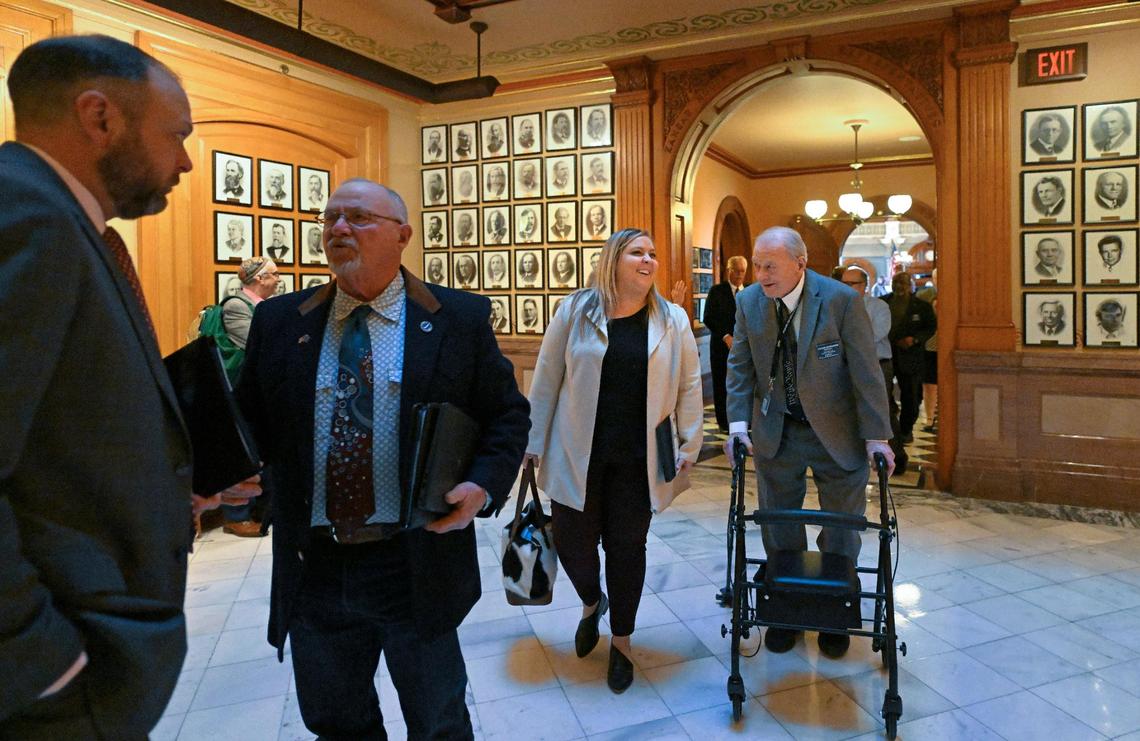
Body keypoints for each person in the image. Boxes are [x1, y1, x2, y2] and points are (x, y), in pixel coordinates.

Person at [0, 34, 257, 738]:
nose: (184, 159)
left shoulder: (65, 225)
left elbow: (53, 438)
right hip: (53, 687)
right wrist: (40, 659)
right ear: (100, 117)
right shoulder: (26, 217)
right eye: (176, 134)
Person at [236, 178, 529, 739]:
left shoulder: (456, 319)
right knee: (337, 721)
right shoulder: (280, 323)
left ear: (402, 236)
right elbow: (248, 419)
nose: (340, 229)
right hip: (314, 564)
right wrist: (235, 468)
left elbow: (506, 416)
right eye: (331, 219)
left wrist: (481, 485)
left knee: (438, 719)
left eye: (358, 218)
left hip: (414, 560)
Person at [527, 228, 702, 693]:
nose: (648, 260)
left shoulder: (672, 319)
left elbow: (688, 385)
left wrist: (689, 444)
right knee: (572, 545)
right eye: (636, 252)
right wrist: (531, 442)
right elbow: (546, 378)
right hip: (575, 454)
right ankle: (591, 603)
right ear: (613, 260)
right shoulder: (575, 310)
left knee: (627, 551)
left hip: (638, 462)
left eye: (652, 253)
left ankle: (622, 641)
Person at [724, 227, 893, 659]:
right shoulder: (748, 302)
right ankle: (787, 611)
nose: (761, 275)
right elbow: (740, 367)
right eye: (758, 265)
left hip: (837, 432)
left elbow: (866, 373)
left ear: (800, 263)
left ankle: (833, 613)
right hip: (777, 431)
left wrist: (877, 437)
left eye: (770, 266)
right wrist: (739, 427)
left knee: (842, 527)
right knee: (779, 525)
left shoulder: (840, 300)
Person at [218, 257, 280, 536]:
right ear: (259, 279)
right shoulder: (235, 306)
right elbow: (256, 344)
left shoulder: (263, 306)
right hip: (238, 392)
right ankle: (236, 516)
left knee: (264, 452)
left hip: (261, 391)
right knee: (242, 452)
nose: (278, 279)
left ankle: (262, 512)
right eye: (274, 274)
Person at [841, 266, 907, 474]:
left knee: (882, 409)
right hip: (846, 365)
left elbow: (874, 335)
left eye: (853, 283)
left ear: (865, 286)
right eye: (844, 283)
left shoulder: (878, 307)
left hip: (877, 364)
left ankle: (895, 457)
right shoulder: (836, 307)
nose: (848, 288)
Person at [882, 271, 936, 444]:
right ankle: (892, 429)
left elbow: (930, 327)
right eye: (896, 283)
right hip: (886, 356)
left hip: (911, 357)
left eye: (904, 284)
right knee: (884, 395)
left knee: (912, 397)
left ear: (911, 286)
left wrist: (915, 339)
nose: (899, 287)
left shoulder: (922, 307)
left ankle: (906, 429)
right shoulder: (882, 303)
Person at [702, 255, 748, 432]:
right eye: (735, 271)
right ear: (728, 270)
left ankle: (744, 419)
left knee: (743, 383)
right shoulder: (717, 291)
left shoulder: (749, 291)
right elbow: (708, 318)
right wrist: (725, 336)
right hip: (721, 348)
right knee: (721, 383)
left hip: (744, 348)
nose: (739, 275)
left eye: (742, 271)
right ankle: (723, 421)